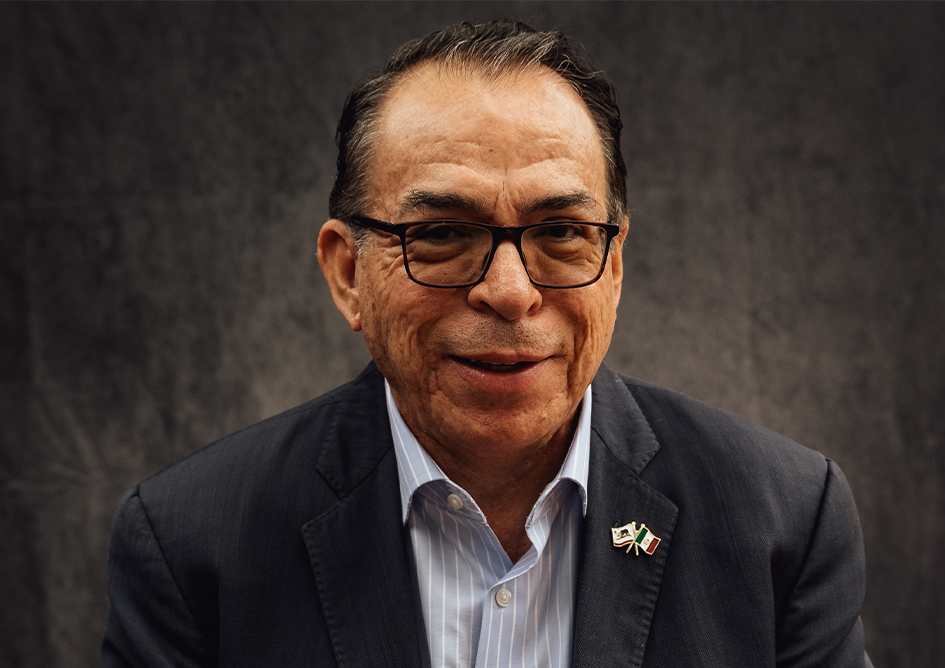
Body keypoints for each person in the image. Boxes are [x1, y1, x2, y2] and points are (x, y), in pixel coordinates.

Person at [102, 19, 871, 668]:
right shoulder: (190, 544)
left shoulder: (784, 522)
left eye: (563, 233)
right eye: (441, 234)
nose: (508, 291)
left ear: (616, 263)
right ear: (347, 274)